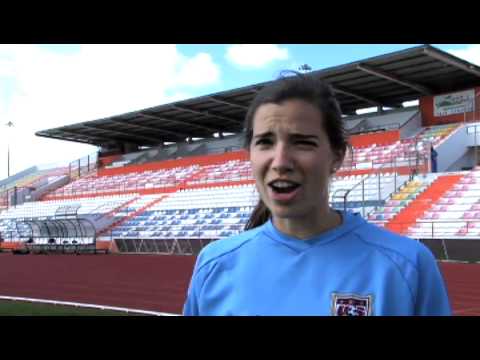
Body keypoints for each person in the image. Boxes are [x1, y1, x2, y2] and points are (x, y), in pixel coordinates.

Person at [183, 71, 451, 316]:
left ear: (337, 156)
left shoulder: (408, 266)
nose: (280, 161)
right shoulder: (214, 265)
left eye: (302, 143)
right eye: (265, 142)